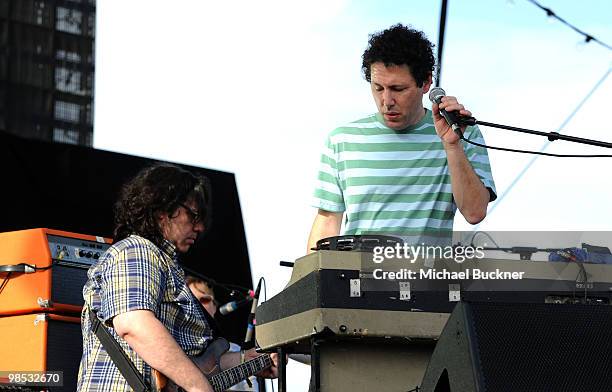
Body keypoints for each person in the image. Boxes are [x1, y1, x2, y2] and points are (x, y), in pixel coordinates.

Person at [77, 164, 278, 392]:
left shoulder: (167, 266)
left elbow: (201, 366)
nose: (200, 227)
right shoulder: (137, 250)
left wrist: (246, 360)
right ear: (162, 209)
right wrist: (199, 388)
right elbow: (134, 324)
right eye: (193, 215)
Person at [307, 24, 496, 251]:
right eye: (378, 88)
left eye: (398, 88)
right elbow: (327, 222)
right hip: (355, 281)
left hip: (427, 281)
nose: (386, 100)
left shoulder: (462, 132)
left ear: (426, 83)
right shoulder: (341, 140)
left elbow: (475, 212)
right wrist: (310, 284)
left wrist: (452, 146)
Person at [186, 275, 259, 392]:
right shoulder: (168, 342)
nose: (197, 306)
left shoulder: (234, 350)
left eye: (204, 300)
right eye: (191, 300)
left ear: (214, 306)